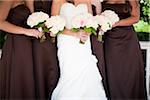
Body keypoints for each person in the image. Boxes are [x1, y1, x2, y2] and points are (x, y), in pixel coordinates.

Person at [50, 0, 107, 99]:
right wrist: (75, 34)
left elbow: (91, 22)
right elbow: (53, 25)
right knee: (69, 74)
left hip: (83, 41)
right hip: (66, 42)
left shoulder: (87, 1)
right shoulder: (58, 1)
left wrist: (87, 33)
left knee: (87, 71)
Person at [101, 0, 147, 99]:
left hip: (127, 40)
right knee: (113, 73)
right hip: (110, 40)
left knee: (129, 72)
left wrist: (116, 23)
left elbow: (136, 18)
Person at [0, 0, 43, 99]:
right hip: (16, 44)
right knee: (18, 77)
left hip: (28, 44)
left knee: (27, 77)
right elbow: (0, 23)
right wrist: (26, 31)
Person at [31, 0, 60, 99]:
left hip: (54, 36)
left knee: (54, 66)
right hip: (39, 37)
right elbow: (30, 16)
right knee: (41, 66)